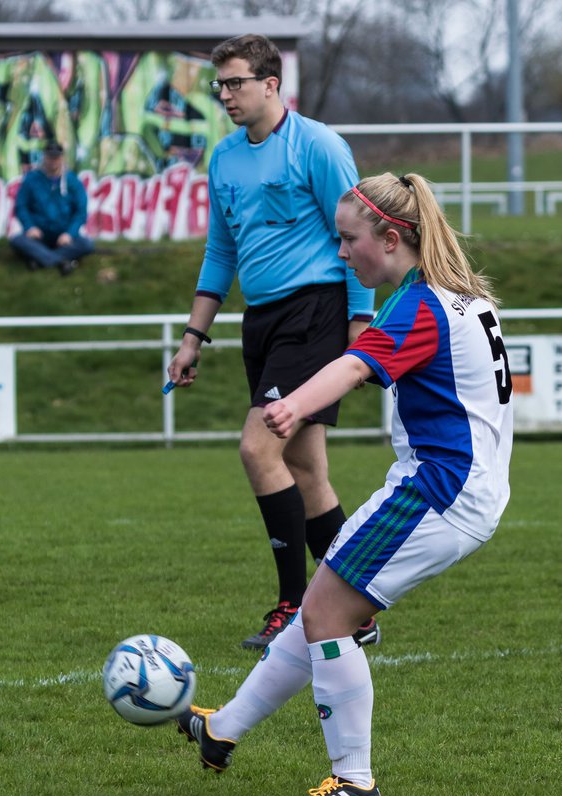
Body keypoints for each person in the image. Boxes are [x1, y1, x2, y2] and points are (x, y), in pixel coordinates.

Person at [175, 171, 514, 796]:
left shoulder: (424, 306)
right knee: (322, 607)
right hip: (457, 487)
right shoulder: (457, 294)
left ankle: (355, 782)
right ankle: (222, 730)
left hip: (440, 490)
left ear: (389, 238)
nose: (340, 253)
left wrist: (292, 407)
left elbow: (358, 362)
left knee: (328, 614)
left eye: (347, 239)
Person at [166, 34, 379, 651]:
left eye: (235, 83)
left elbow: (360, 233)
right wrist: (192, 337)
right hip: (260, 322)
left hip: (316, 313)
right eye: (219, 86)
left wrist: (358, 331)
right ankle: (358, 611)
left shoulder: (317, 146)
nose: (225, 95)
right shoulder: (225, 158)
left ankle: (292, 605)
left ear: (270, 84)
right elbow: (220, 251)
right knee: (307, 469)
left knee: (258, 450)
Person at [9, 140, 93, 276]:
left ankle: (39, 259)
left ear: (62, 158)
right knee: (17, 241)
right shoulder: (31, 179)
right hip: (39, 235)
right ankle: (61, 261)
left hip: (64, 236)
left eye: (56, 157)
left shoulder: (73, 181)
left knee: (87, 245)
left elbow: (81, 212)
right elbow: (21, 206)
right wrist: (29, 227)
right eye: (50, 157)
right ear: (44, 157)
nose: (53, 161)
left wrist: (70, 234)